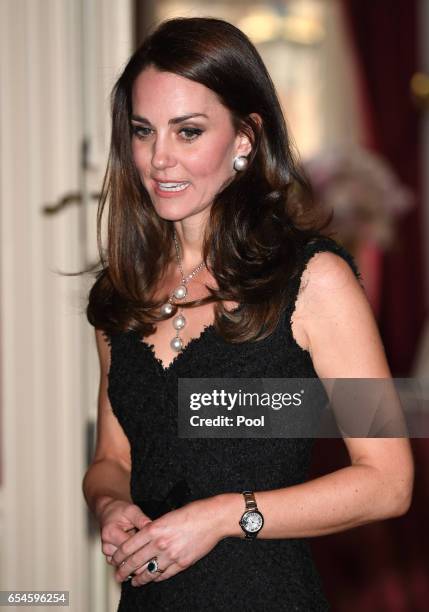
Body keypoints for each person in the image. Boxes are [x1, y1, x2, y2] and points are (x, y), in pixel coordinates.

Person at [82, 17, 414, 611]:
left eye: (188, 132)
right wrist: (110, 505)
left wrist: (225, 516)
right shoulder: (122, 292)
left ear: (245, 138)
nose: (158, 158)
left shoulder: (316, 281)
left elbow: (388, 481)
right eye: (142, 130)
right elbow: (113, 458)